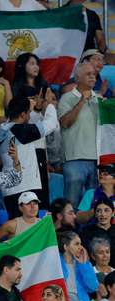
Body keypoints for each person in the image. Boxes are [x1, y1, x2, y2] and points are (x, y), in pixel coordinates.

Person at [0, 93, 58, 216]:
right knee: (30, 228)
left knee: (16, 228)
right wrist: (50, 104)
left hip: (10, 189)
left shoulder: (3, 129)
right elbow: (50, 124)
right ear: (23, 115)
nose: (30, 116)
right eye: (29, 113)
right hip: (26, 187)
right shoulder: (20, 131)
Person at [58, 63, 99, 206]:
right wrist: (82, 101)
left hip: (97, 161)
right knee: (71, 204)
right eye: (88, 74)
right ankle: (69, 229)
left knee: (94, 205)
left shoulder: (99, 100)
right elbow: (65, 123)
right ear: (78, 77)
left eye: (94, 74)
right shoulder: (67, 98)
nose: (92, 76)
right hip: (74, 159)